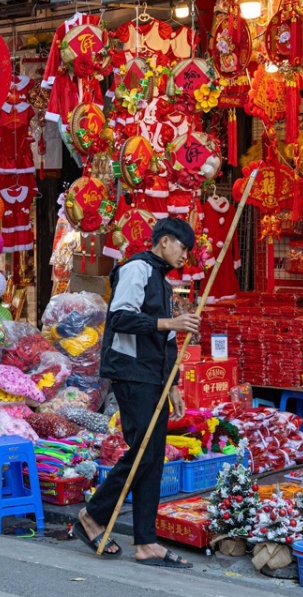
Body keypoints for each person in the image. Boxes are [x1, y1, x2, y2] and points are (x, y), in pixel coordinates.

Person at [75, 217, 201, 567]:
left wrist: (173, 383)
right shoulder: (137, 269)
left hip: (153, 377)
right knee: (143, 451)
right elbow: (119, 317)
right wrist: (169, 322)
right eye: (182, 247)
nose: (185, 255)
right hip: (130, 372)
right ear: (164, 241)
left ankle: (146, 542)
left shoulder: (161, 280)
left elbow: (169, 339)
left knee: (153, 455)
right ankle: (92, 515)